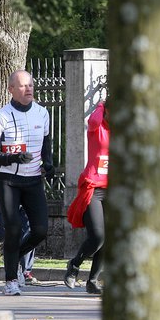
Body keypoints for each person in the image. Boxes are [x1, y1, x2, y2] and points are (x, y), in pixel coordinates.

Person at [0, 70, 54, 296]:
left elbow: (46, 145)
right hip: (8, 181)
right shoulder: (2, 116)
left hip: (32, 180)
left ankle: (15, 257)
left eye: (31, 85)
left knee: (41, 229)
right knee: (12, 228)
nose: (29, 89)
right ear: (11, 89)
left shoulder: (43, 113)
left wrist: (49, 164)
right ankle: (11, 280)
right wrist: (12, 158)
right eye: (23, 86)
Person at [64, 100, 109, 295]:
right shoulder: (96, 126)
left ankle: (92, 281)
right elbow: (94, 117)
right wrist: (102, 104)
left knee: (108, 239)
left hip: (114, 190)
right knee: (98, 236)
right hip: (94, 187)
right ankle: (74, 265)